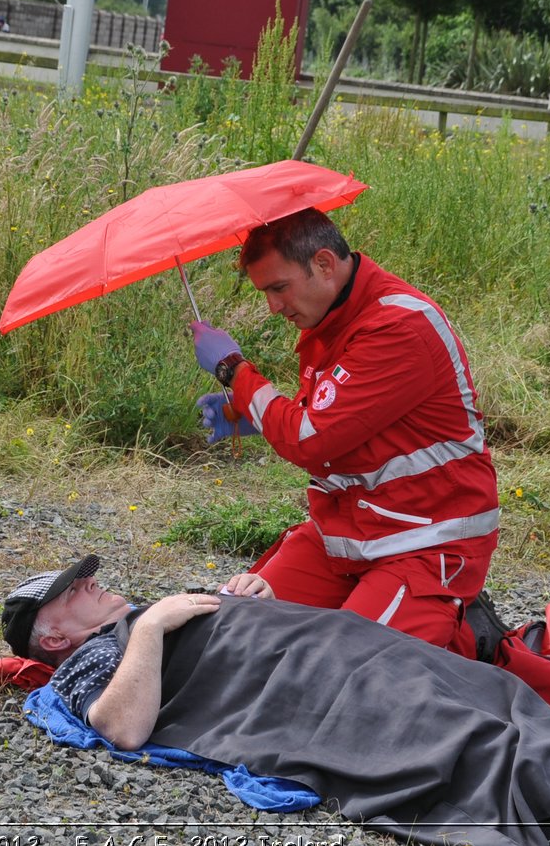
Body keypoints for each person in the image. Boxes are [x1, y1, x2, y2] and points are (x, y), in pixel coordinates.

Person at [3, 556, 550, 846]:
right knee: (474, 743)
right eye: (71, 590)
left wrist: (244, 601)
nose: (89, 584)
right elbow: (121, 727)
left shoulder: (139, 616)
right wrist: (151, 625)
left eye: (81, 579)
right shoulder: (89, 660)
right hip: (307, 695)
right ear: (53, 633)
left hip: (337, 648)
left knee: (507, 700)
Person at [188, 208, 499, 657]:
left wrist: (232, 370)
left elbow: (310, 437)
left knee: (347, 673)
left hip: (426, 541)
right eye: (265, 292)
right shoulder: (329, 320)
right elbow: (339, 417)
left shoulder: (398, 325)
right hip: (347, 533)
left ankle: (463, 637)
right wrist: (250, 418)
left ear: (324, 264)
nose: (273, 307)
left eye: (278, 288)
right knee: (234, 633)